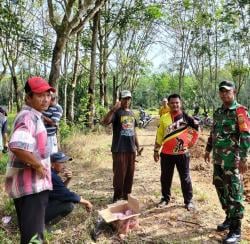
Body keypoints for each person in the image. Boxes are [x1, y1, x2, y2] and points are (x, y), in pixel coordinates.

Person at [5, 76, 55, 244]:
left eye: (48, 95)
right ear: (28, 97)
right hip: (31, 188)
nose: (46, 99)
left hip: (32, 188)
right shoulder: (28, 117)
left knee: (32, 237)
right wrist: (38, 166)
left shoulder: (35, 116)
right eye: (40, 95)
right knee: (34, 240)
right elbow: (17, 146)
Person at [204, 80, 250, 244]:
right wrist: (208, 149)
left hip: (232, 162)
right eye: (221, 91)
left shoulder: (240, 111)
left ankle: (236, 230)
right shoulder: (218, 112)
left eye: (227, 91)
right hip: (218, 160)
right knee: (220, 188)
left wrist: (244, 158)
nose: (224, 94)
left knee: (234, 194)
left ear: (234, 92)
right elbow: (213, 133)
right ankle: (229, 218)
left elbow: (245, 135)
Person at [153, 94, 199, 210]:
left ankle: (188, 201)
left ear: (180, 103)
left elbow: (197, 128)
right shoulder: (163, 118)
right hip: (166, 154)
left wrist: (192, 142)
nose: (175, 105)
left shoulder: (186, 117)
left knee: (185, 178)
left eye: (177, 103)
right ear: (168, 104)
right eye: (172, 103)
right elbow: (159, 135)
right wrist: (156, 150)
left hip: (182, 154)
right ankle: (165, 198)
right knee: (165, 177)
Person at [102, 90, 141, 202]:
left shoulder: (132, 113)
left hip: (131, 149)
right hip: (119, 149)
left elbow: (134, 131)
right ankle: (117, 196)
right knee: (119, 174)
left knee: (130, 173)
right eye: (124, 98)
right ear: (120, 100)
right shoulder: (116, 112)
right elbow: (105, 122)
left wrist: (137, 147)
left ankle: (126, 195)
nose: (127, 101)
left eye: (128, 98)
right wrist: (113, 109)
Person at [45, 152, 92, 225]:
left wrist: (68, 179)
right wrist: (86, 202)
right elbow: (67, 195)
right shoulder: (53, 176)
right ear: (52, 164)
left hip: (41, 207)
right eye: (61, 162)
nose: (64, 165)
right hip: (39, 212)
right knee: (69, 205)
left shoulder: (51, 174)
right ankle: (46, 226)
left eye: (65, 162)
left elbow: (60, 192)